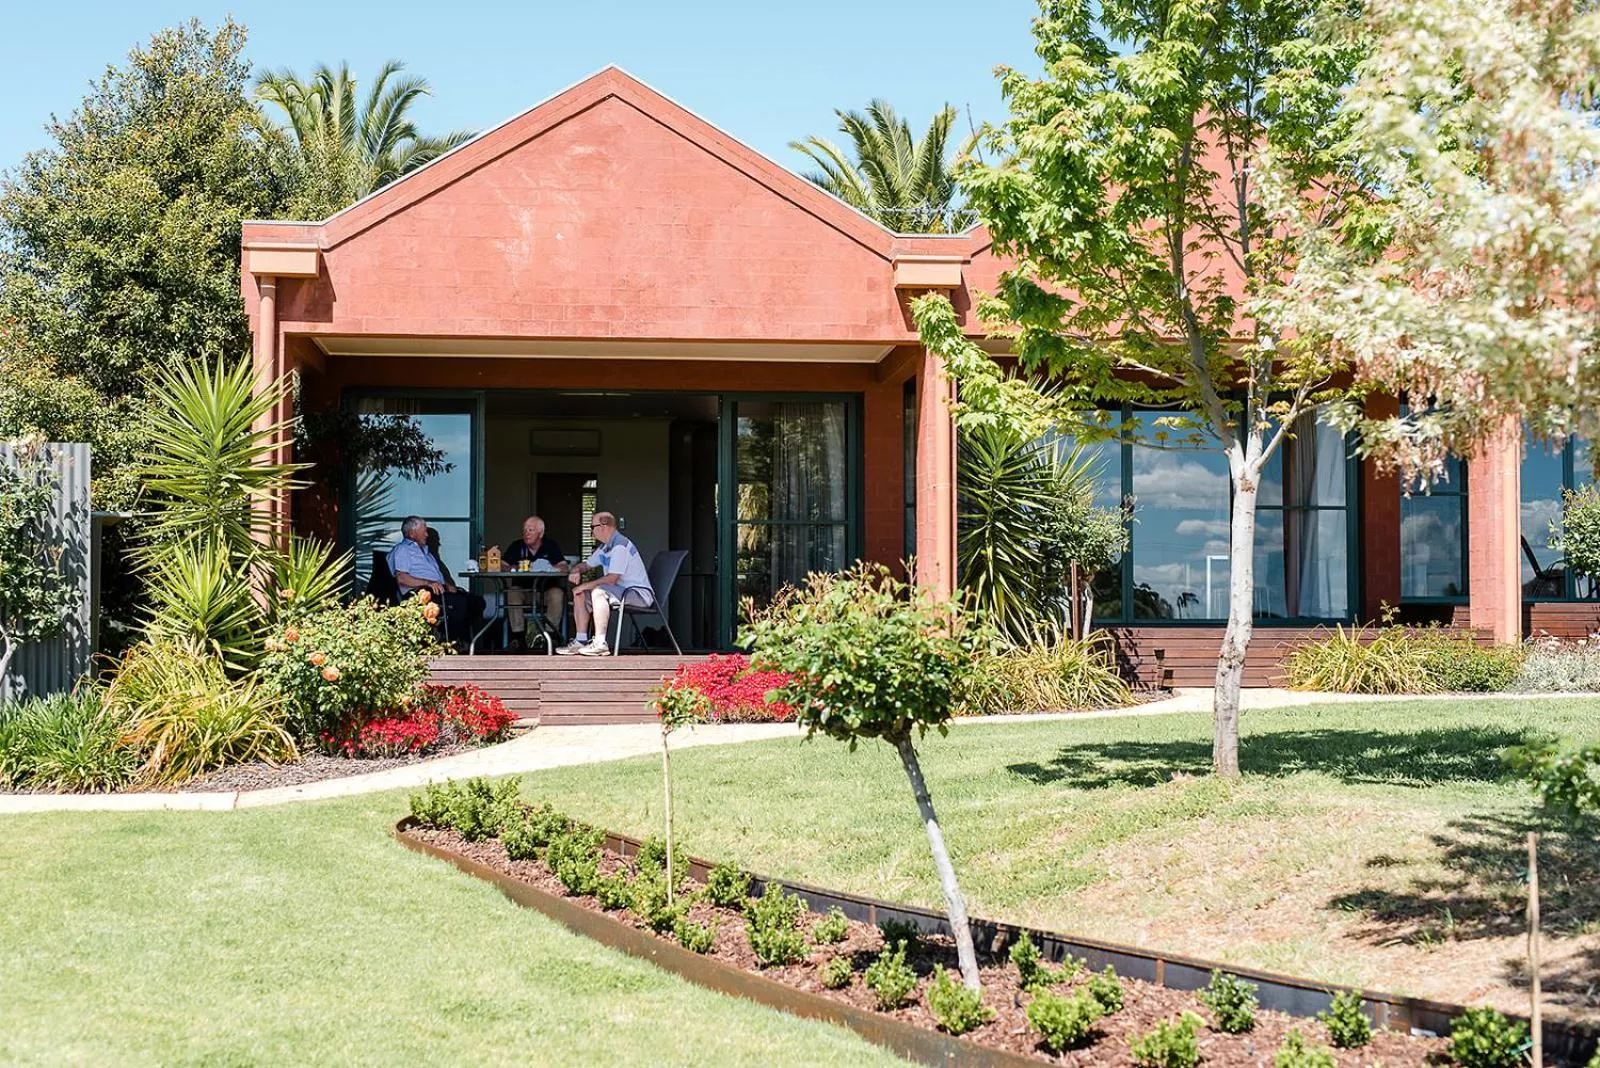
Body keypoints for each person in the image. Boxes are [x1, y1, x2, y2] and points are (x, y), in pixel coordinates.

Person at [556, 511, 654, 656]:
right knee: (580, 593)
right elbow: (587, 565)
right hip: (619, 591)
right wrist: (576, 570)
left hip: (637, 594)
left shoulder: (620, 546)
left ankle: (600, 643)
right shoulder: (605, 547)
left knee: (598, 592)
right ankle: (581, 641)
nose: (591, 531)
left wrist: (586, 584)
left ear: (603, 526)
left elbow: (612, 578)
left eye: (592, 527)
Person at [387, 516, 483, 646]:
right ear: (411, 533)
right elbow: (402, 578)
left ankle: (465, 641)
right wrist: (428, 583)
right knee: (460, 603)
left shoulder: (426, 552)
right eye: (424, 531)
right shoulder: (403, 550)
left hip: (437, 590)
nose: (427, 535)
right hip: (418, 594)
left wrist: (447, 585)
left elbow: (436, 576)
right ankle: (449, 642)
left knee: (476, 602)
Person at [502, 515, 569, 646]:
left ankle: (550, 636)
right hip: (524, 592)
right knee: (512, 591)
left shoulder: (550, 546)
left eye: (530, 530)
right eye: (525, 530)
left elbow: (564, 566)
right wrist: (512, 567)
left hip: (545, 591)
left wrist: (548, 567)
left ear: (541, 533)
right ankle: (518, 637)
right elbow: (501, 565)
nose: (526, 533)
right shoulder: (517, 546)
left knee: (557, 594)